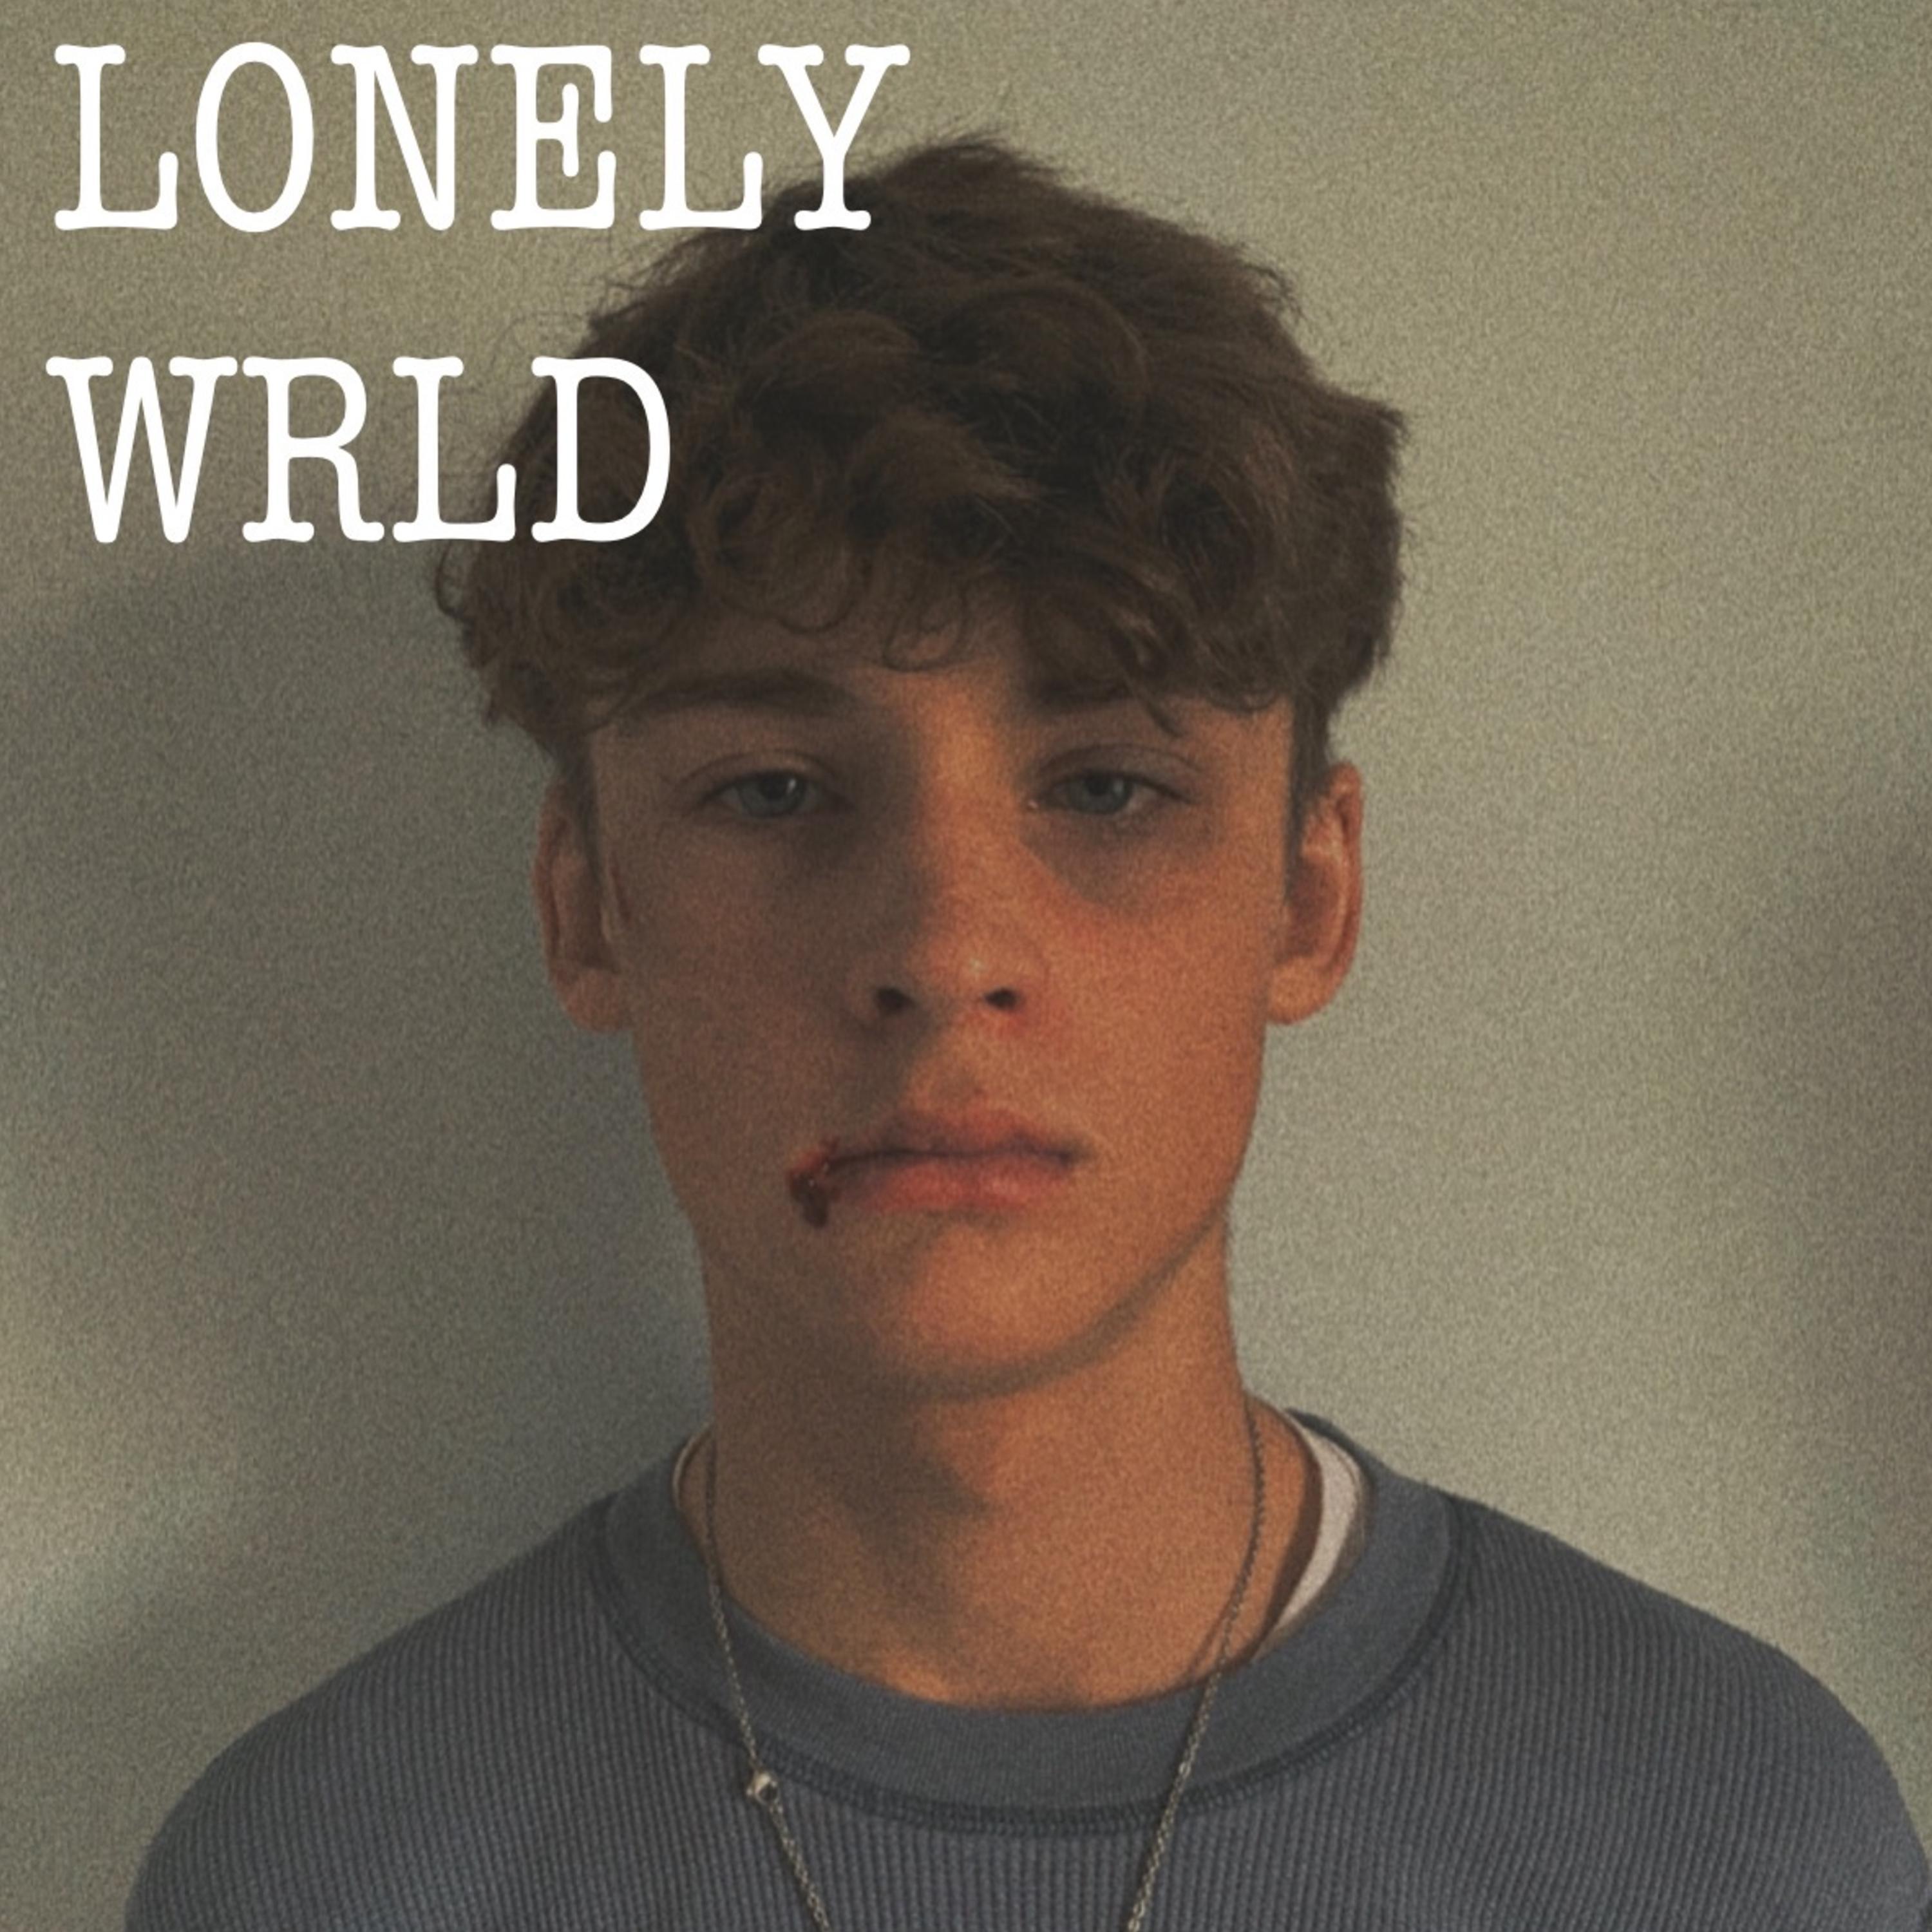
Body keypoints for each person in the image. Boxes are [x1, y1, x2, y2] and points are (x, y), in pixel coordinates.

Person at [127, 135, 1927, 1931]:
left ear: (1309, 896)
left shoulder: (1740, 1844)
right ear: (588, 904)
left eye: (1108, 786)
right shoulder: (314, 1880)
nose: (944, 949)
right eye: (772, 790)